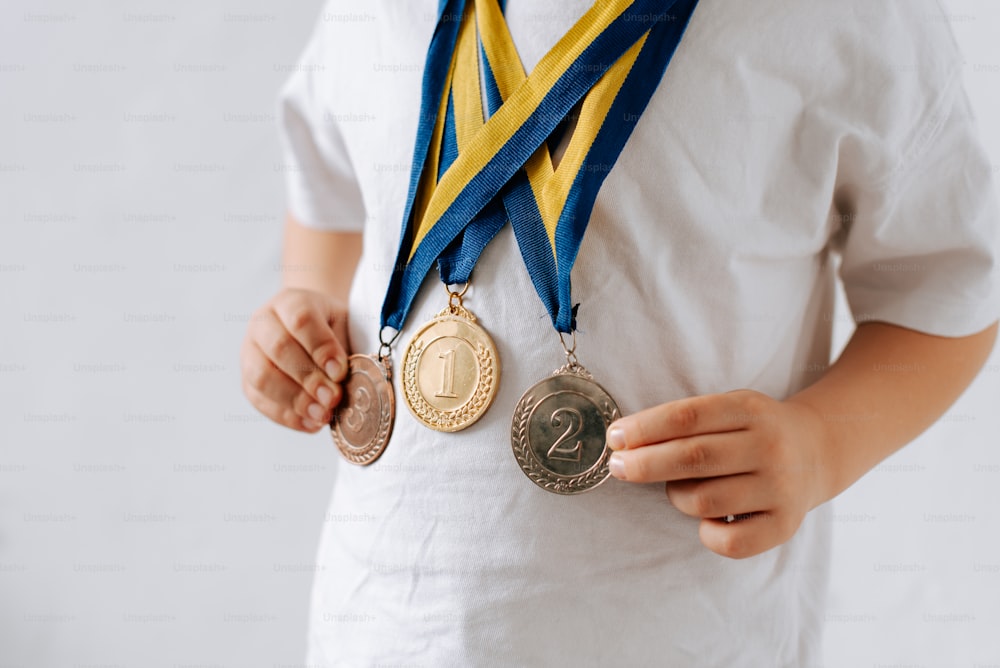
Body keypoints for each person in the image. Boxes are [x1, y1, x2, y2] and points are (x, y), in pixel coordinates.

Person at [241, 0, 999, 664]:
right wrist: (303, 303)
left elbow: (948, 287)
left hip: (682, 636)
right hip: (383, 630)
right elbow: (330, 186)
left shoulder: (843, 16)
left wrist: (822, 443)